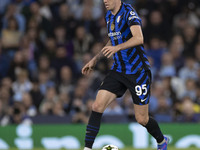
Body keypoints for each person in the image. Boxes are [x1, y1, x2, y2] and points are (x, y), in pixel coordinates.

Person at [82, 0, 169, 150]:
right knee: (96, 105)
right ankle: (87, 148)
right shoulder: (109, 16)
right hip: (119, 70)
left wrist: (117, 48)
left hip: (138, 72)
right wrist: (95, 59)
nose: (105, 1)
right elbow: (113, 39)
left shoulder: (129, 13)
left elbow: (139, 38)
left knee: (142, 119)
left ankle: (162, 140)